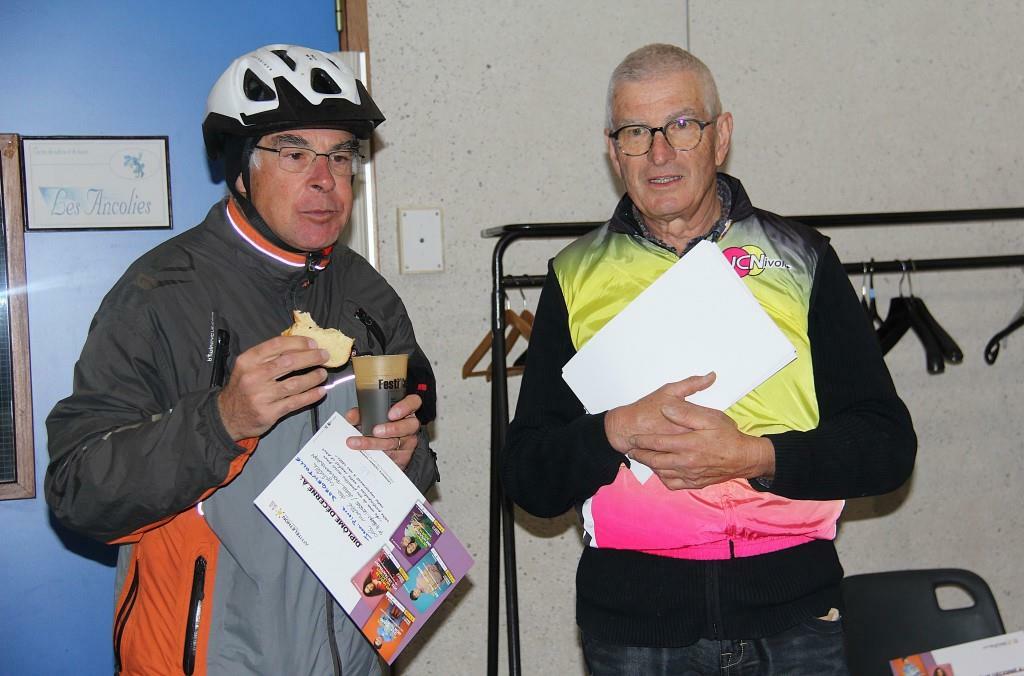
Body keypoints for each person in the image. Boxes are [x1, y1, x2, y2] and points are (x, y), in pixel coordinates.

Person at [501, 43, 917, 675]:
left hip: (796, 621)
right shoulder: (576, 275)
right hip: (635, 632)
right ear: (614, 152)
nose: (659, 153)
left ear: (720, 136)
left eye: (681, 125)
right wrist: (615, 430)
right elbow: (529, 477)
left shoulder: (800, 259)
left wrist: (756, 457)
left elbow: (888, 447)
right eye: (636, 132)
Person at [45, 44, 438, 676]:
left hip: (353, 660)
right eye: (294, 153)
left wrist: (405, 456)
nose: (325, 179)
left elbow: (413, 460)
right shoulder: (158, 295)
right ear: (240, 171)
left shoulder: (369, 296)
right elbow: (78, 493)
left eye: (340, 155)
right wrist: (221, 419)